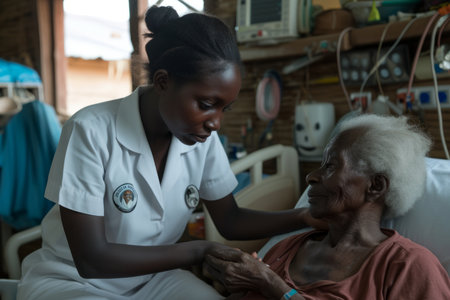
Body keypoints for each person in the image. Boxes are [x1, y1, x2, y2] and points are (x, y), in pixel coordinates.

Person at [17, 6, 321, 300]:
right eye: (206, 104)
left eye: (223, 108)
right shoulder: (90, 130)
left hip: (154, 279)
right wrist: (199, 250)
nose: (215, 122)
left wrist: (306, 215)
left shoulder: (201, 139)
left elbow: (230, 218)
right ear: (163, 82)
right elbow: (91, 259)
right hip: (75, 281)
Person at [204, 114, 450, 300]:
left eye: (331, 166)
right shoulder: (288, 248)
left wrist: (272, 284)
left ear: (375, 185)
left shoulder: (407, 267)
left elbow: (270, 285)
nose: (311, 176)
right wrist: (239, 281)